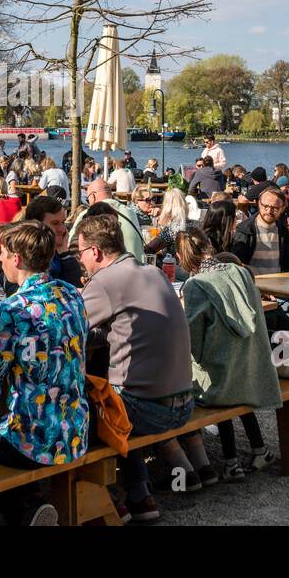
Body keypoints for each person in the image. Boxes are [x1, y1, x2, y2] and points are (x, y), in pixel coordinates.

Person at [78, 211, 193, 523]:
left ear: (95, 252)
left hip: (149, 410)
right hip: (185, 404)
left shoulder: (105, 281)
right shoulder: (153, 273)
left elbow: (66, 329)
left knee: (76, 408)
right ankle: (139, 495)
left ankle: (105, 500)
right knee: (119, 389)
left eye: (80, 254)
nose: (81, 262)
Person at [0, 221, 90, 525]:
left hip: (35, 439)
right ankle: (32, 505)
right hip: (76, 432)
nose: (0, 260)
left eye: (2, 253)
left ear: (16, 258)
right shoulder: (72, 295)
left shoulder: (11, 309)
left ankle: (25, 510)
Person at [173, 230, 281, 483]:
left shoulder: (196, 285)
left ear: (181, 257)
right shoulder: (242, 273)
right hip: (253, 370)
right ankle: (258, 450)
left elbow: (193, 343)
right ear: (209, 245)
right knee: (229, 369)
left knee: (207, 374)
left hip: (221, 382)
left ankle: (231, 462)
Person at [72, 177, 145, 262]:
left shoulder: (86, 214)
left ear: (93, 196)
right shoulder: (130, 212)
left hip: (111, 270)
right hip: (138, 265)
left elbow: (71, 245)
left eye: (88, 199)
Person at [231, 186, 289, 276]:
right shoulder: (245, 230)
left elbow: (288, 263)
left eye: (275, 208)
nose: (269, 211)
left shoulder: (283, 231)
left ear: (282, 208)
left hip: (278, 282)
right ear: (259, 204)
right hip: (253, 283)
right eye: (265, 206)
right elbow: (237, 265)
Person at [144, 187, 192, 257]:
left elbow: (149, 249)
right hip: (194, 265)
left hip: (175, 265)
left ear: (167, 206)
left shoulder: (171, 229)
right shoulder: (195, 224)